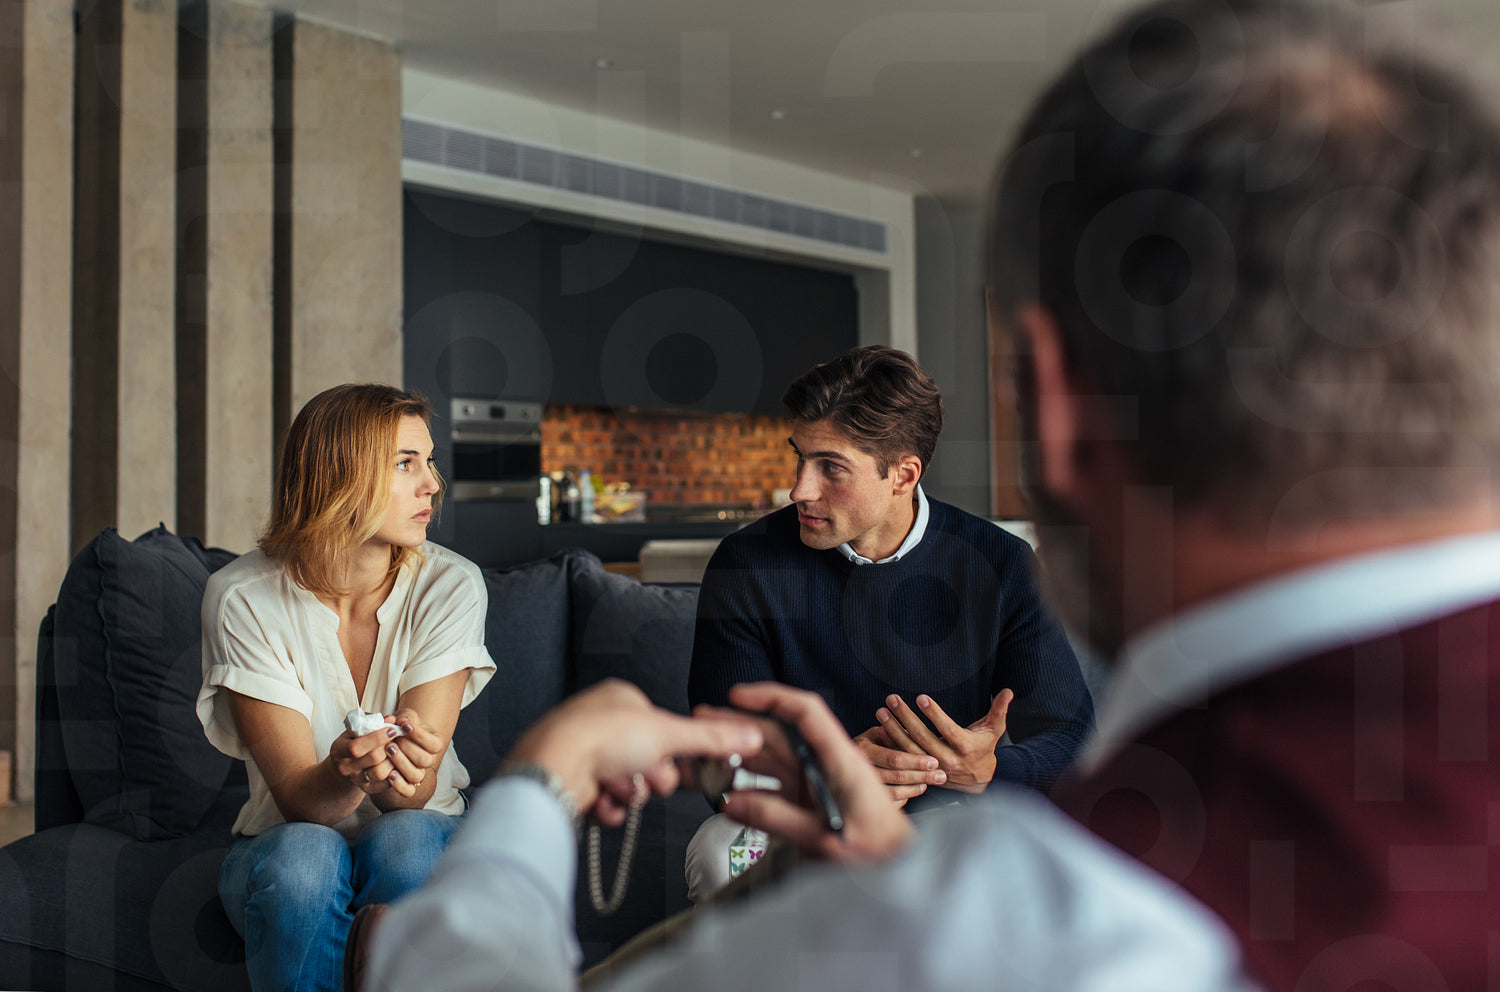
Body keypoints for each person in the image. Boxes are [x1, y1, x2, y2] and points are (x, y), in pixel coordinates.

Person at [367, 0, 1500, 988]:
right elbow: (728, 747)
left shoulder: (1024, 918)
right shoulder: (759, 573)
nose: (798, 489)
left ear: (1050, 404)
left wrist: (534, 787)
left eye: (830, 465)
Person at [683, 344, 1093, 897]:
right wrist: (828, 773)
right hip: (808, 813)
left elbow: (1072, 740)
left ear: (903, 475)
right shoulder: (746, 564)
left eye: (831, 467)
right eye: (800, 458)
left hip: (951, 819)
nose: (800, 489)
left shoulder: (1001, 564)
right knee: (718, 848)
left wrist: (991, 769)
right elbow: (718, 759)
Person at [196, 383, 496, 992]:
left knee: (409, 843)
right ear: (339, 475)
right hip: (285, 843)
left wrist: (394, 771)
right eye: (406, 464)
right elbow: (302, 805)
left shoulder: (451, 585)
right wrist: (342, 772)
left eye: (429, 461)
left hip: (421, 825)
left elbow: (413, 796)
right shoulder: (242, 598)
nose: (432, 484)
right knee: (306, 859)